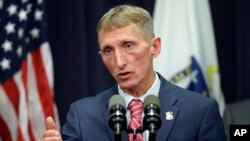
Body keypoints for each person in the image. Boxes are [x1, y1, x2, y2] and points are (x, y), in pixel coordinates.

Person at [41, 4, 226, 141]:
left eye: (128, 46)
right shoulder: (82, 115)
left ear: (155, 47)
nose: (119, 62)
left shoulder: (200, 112)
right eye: (108, 51)